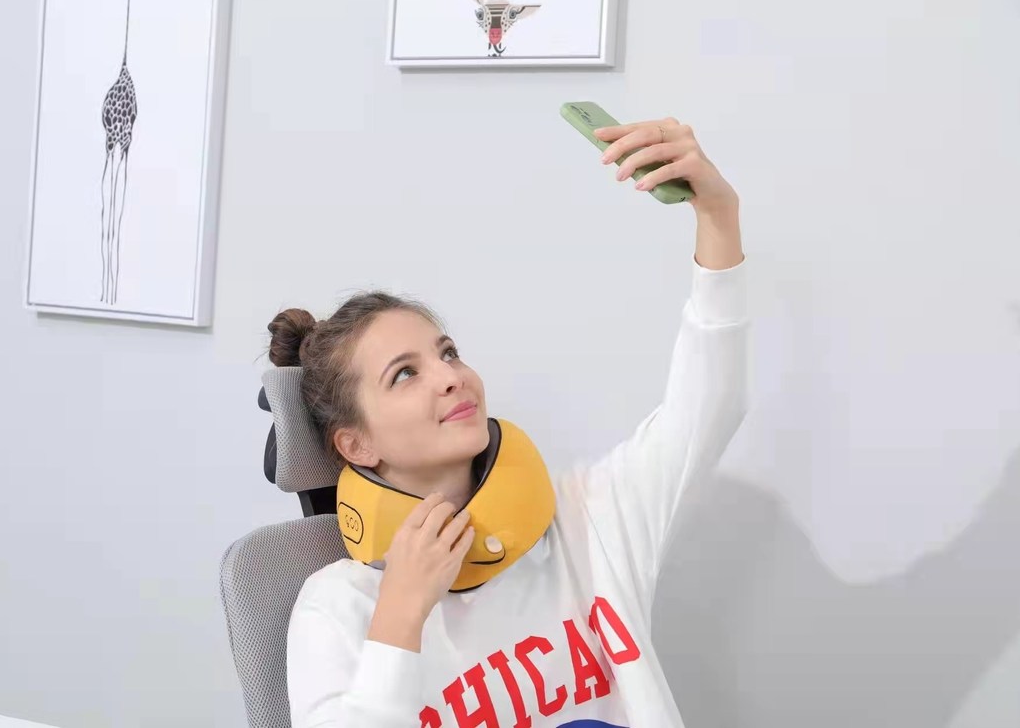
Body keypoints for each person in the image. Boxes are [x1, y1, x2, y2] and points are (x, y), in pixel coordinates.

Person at [267, 116, 749, 727]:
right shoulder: (339, 605)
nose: (451, 376)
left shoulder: (589, 521)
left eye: (447, 353)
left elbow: (710, 405)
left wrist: (718, 216)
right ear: (355, 444)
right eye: (404, 374)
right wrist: (401, 613)